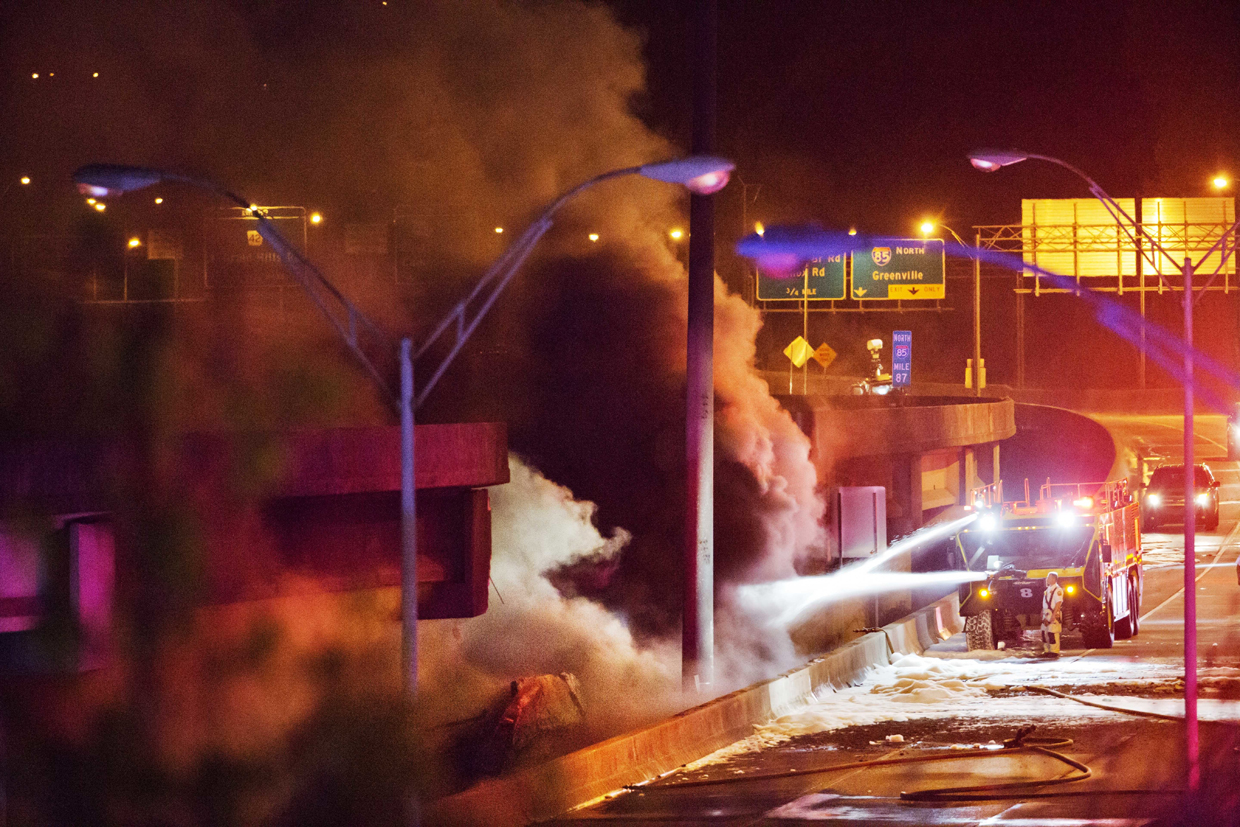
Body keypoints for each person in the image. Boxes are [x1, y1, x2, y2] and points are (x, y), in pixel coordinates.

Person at [1040, 571, 1064, 658]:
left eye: (1049, 578)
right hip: (1046, 613)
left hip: (1052, 613)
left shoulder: (1058, 590)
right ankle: (1047, 650)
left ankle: (1054, 651)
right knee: (1044, 633)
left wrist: (1054, 614)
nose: (1047, 579)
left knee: (1052, 633)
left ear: (1054, 579)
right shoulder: (1047, 590)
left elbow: (1058, 602)